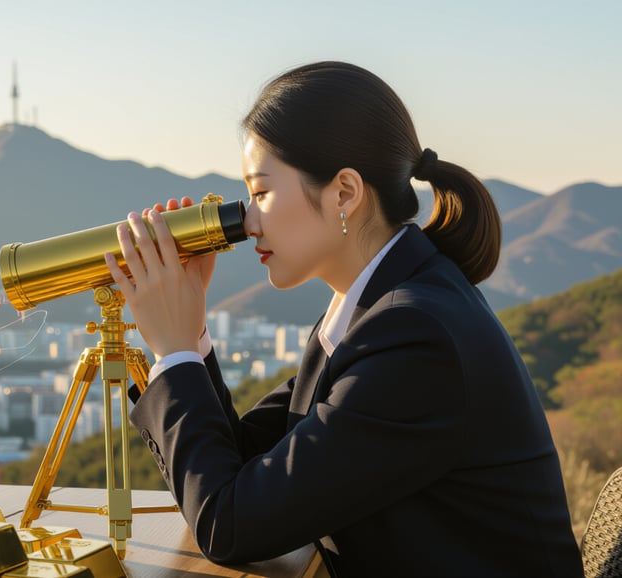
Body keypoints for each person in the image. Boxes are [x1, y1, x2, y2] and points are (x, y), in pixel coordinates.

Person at [104, 61, 583, 577]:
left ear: (345, 193)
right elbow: (250, 467)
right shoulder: (376, 311)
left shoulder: (415, 338)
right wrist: (192, 334)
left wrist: (175, 352)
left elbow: (231, 524)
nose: (248, 221)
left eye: (260, 192)